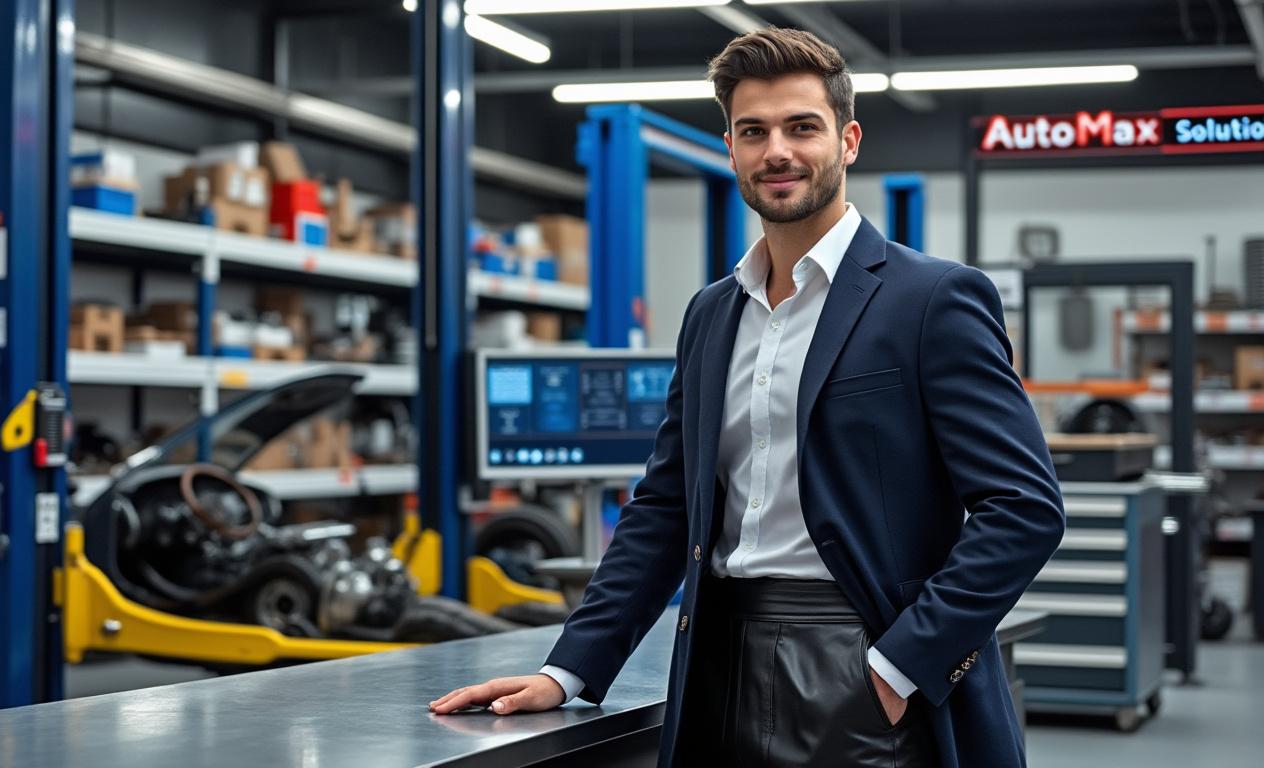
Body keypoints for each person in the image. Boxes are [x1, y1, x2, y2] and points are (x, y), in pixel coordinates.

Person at [430, 27, 1065, 768]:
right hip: (716, 656)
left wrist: (900, 666)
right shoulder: (712, 313)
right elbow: (667, 506)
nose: (778, 152)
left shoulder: (931, 300)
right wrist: (567, 669)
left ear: (848, 140)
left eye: (803, 127)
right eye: (753, 131)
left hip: (861, 656)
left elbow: (1024, 508)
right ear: (730, 147)